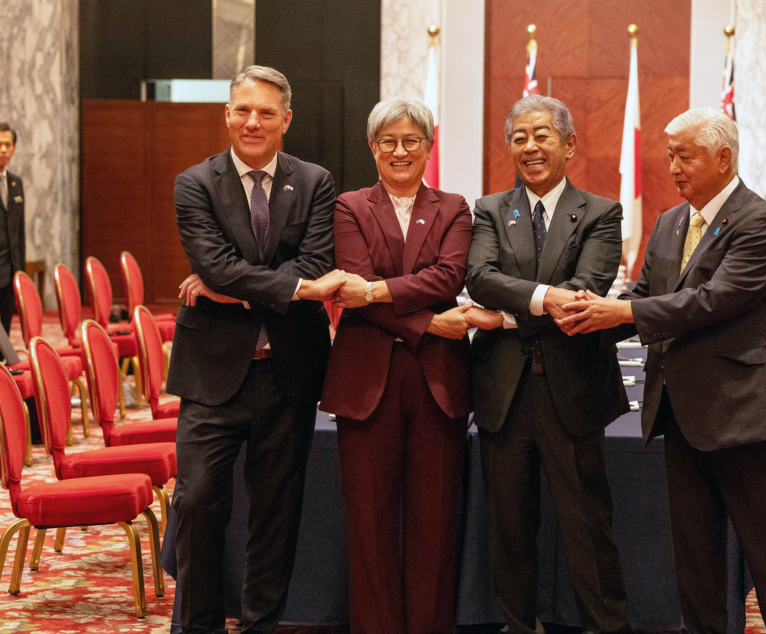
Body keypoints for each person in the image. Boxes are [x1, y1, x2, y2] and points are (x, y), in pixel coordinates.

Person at [556, 107, 766, 634]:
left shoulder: (759, 220)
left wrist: (621, 312)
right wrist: (583, 317)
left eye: (685, 156)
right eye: (670, 155)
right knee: (696, 564)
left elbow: (712, 300)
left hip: (745, 417)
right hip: (680, 414)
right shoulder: (671, 221)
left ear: (723, 157)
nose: (673, 167)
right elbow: (643, 295)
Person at [167, 65, 347, 634]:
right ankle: (199, 626)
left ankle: (260, 625)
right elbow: (214, 264)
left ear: (285, 119)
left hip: (288, 372)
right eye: (243, 110)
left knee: (276, 513)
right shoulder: (195, 183)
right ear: (227, 114)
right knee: (197, 503)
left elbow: (316, 262)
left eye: (266, 112)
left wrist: (230, 287)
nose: (253, 122)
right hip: (211, 374)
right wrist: (293, 288)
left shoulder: (316, 182)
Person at [463, 95, 634, 634]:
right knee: (510, 529)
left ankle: (607, 627)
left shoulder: (602, 212)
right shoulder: (490, 209)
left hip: (574, 391)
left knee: (588, 528)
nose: (530, 147)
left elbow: (586, 293)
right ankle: (519, 626)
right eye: (519, 137)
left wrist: (504, 316)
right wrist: (542, 299)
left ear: (569, 144)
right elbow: (479, 278)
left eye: (542, 135)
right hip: (504, 394)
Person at [318, 97, 473, 634]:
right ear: (372, 147)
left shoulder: (454, 207)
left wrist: (377, 291)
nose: (400, 151)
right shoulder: (348, 207)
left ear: (429, 147)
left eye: (411, 141)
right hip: (366, 383)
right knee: (370, 525)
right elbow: (351, 285)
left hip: (438, 384)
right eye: (389, 141)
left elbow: (448, 277)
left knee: (434, 524)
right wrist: (428, 323)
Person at [0, 123, 26, 334]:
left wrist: (21, 274)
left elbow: (20, 232)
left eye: (8, 145)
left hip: (10, 273)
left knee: (5, 333)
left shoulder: (16, 183)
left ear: (14, 148)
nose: (3, 150)